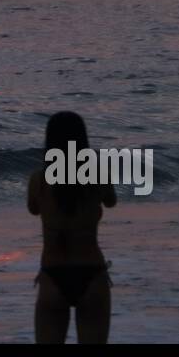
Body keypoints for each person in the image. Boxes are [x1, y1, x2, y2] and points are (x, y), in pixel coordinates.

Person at [27, 111, 116, 343]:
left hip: (53, 274)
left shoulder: (39, 180)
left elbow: (33, 209)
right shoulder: (97, 174)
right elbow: (111, 201)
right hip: (91, 272)